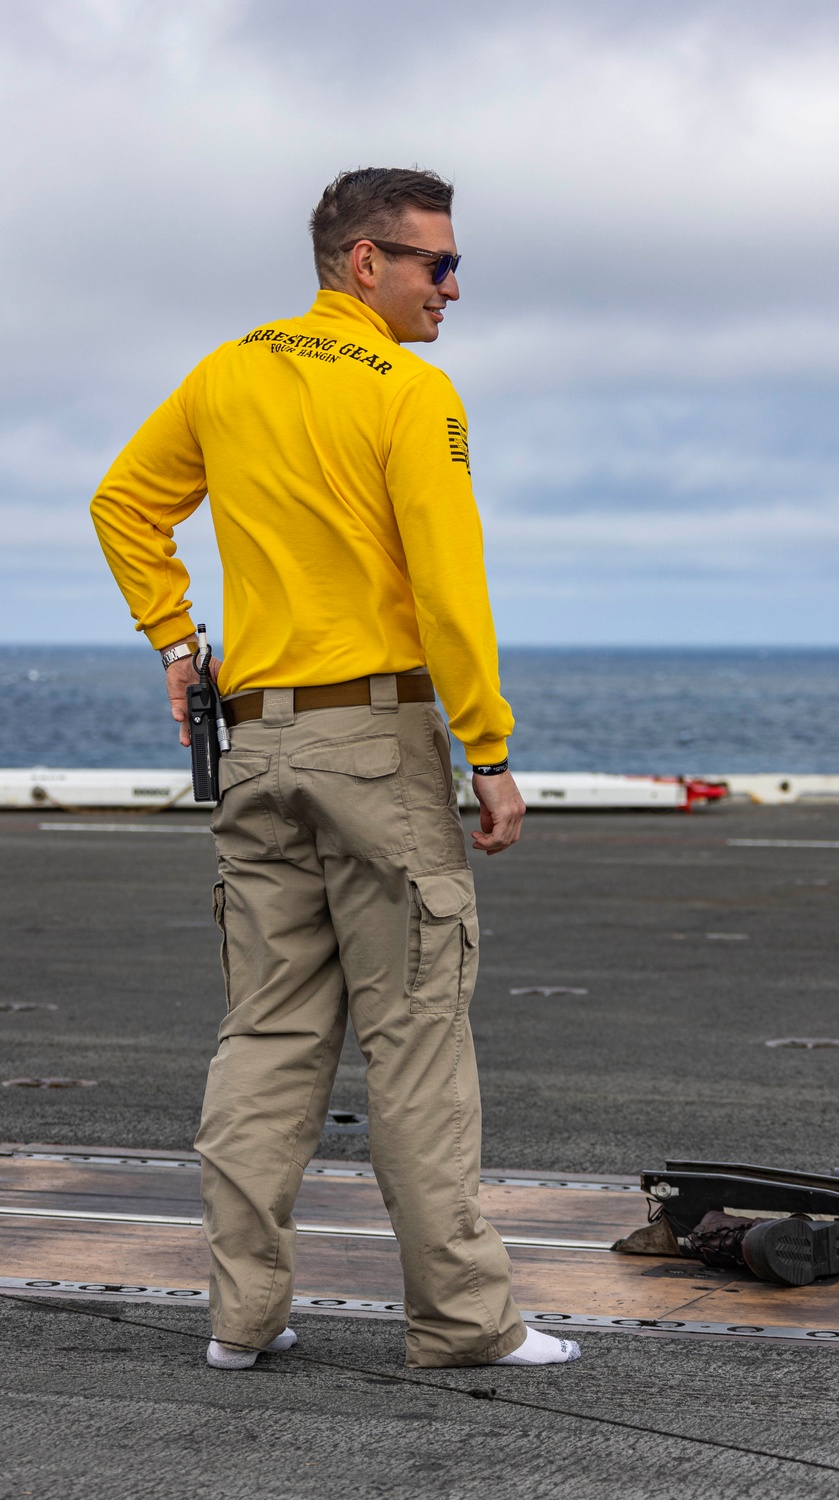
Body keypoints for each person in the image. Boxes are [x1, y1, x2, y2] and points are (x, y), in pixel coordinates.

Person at [90, 167, 581, 1371]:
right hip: (376, 743)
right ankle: (463, 1321)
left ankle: (240, 1322)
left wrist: (176, 642)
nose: (452, 287)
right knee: (415, 1039)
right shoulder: (415, 393)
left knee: (265, 1035)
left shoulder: (225, 369)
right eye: (435, 263)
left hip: (258, 748)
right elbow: (447, 587)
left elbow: (123, 504)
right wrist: (492, 752)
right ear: (364, 262)